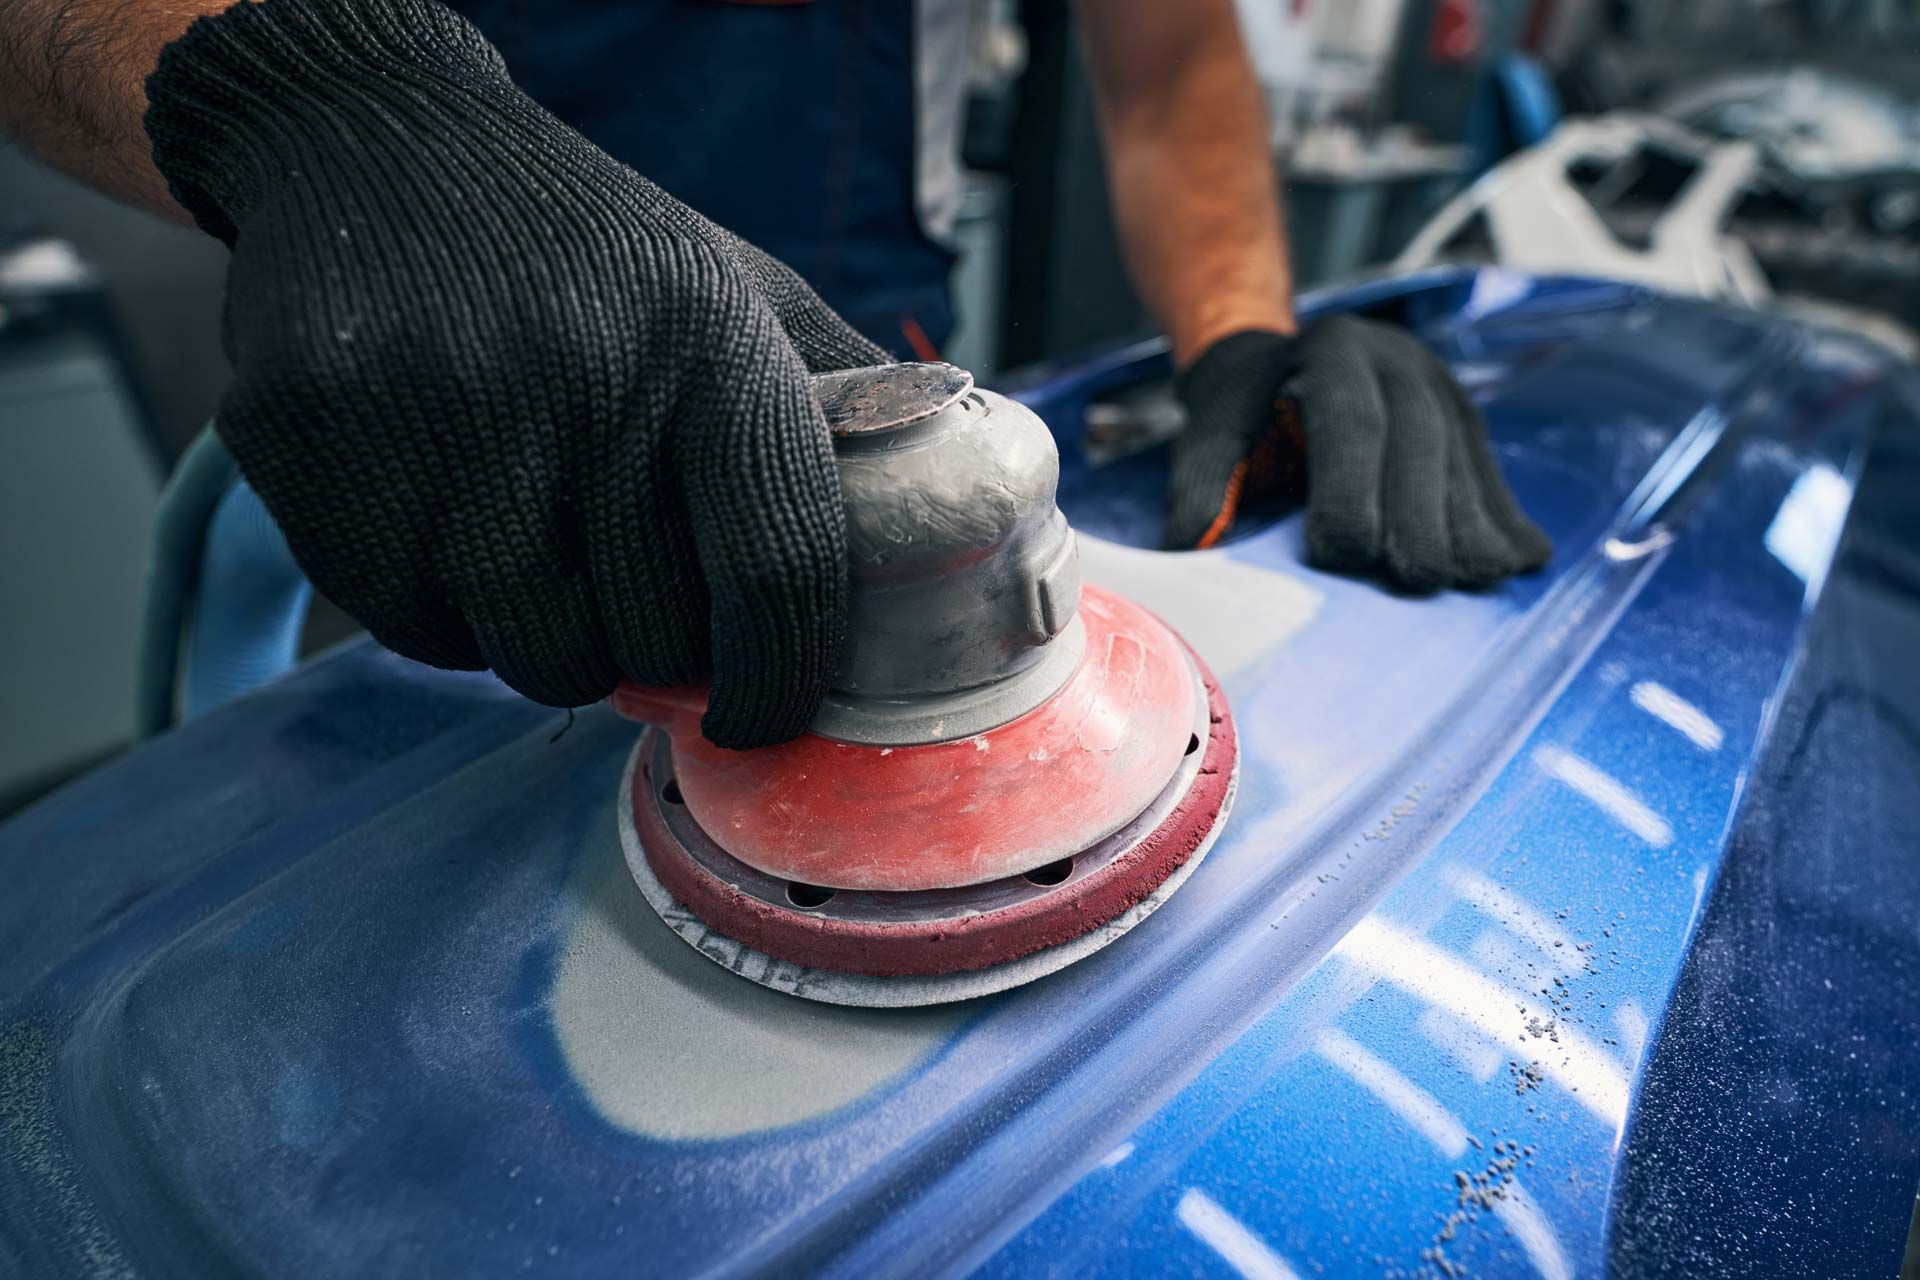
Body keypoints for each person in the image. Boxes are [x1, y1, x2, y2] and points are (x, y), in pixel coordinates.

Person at [1, 0, 1549, 749]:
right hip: (444, 390)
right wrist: (305, 102)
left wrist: (1241, 330)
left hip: (876, 374)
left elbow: (1168, 66)